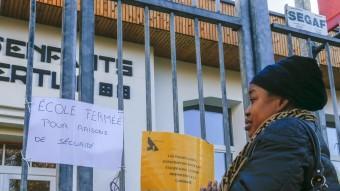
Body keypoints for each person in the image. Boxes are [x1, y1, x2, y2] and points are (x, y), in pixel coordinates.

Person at [201, 56, 340, 191]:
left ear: (281, 101)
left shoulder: (288, 132)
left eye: (253, 99)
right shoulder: (303, 133)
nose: (247, 111)